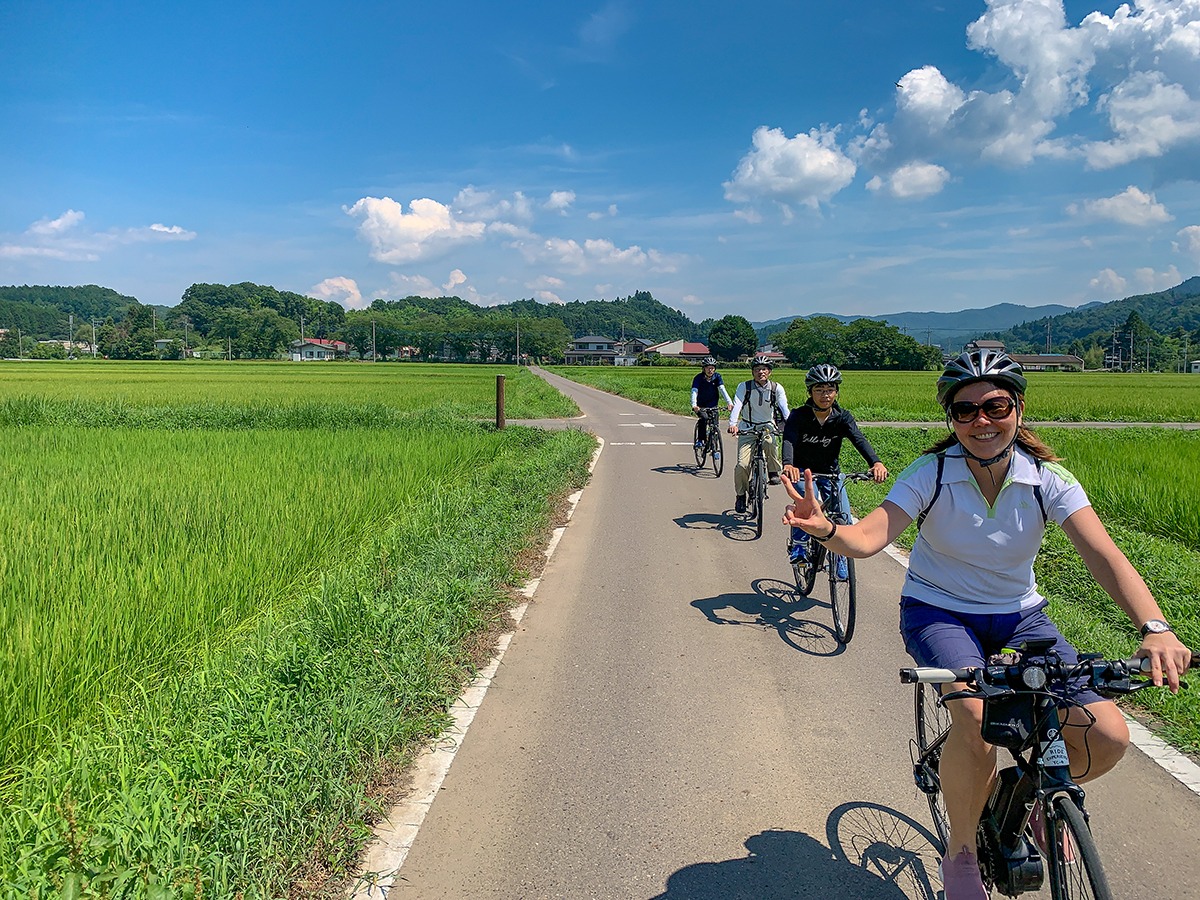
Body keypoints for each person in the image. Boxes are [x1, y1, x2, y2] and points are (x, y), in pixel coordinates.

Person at [780, 348, 1192, 900]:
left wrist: (1156, 626)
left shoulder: (1047, 479)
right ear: (951, 419)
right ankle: (962, 852)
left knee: (1109, 734)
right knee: (974, 721)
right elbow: (872, 537)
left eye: (995, 406)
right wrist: (826, 528)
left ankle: (1032, 795)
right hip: (940, 610)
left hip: (1021, 616)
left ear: (1017, 408)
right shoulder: (932, 472)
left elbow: (1106, 558)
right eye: (965, 411)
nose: (981, 421)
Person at [781, 363, 888, 567]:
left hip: (830, 472)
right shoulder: (799, 415)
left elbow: (859, 439)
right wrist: (789, 464)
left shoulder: (842, 417)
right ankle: (799, 546)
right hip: (803, 472)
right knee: (805, 503)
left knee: (844, 517)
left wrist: (876, 462)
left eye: (830, 390)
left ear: (836, 392)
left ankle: (840, 556)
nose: (825, 395)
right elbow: (789, 440)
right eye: (819, 390)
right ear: (810, 392)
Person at [728, 355, 790, 513]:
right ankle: (741, 495)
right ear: (752, 372)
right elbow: (738, 405)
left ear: (769, 372)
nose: (760, 372)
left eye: (764, 369)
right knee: (742, 465)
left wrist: (791, 424)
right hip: (748, 427)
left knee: (770, 443)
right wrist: (733, 424)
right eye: (757, 369)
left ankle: (772, 471)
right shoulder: (745, 387)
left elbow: (784, 408)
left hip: (767, 426)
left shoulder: (777, 388)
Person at [691, 356, 733, 452]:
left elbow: (722, 389)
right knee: (704, 418)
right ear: (704, 368)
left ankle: (713, 444)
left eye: (712, 368)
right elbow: (694, 391)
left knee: (715, 425)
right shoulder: (698, 378)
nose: (710, 370)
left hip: (713, 404)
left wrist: (729, 403)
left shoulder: (717, 377)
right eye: (708, 368)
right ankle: (701, 440)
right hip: (700, 405)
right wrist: (694, 405)